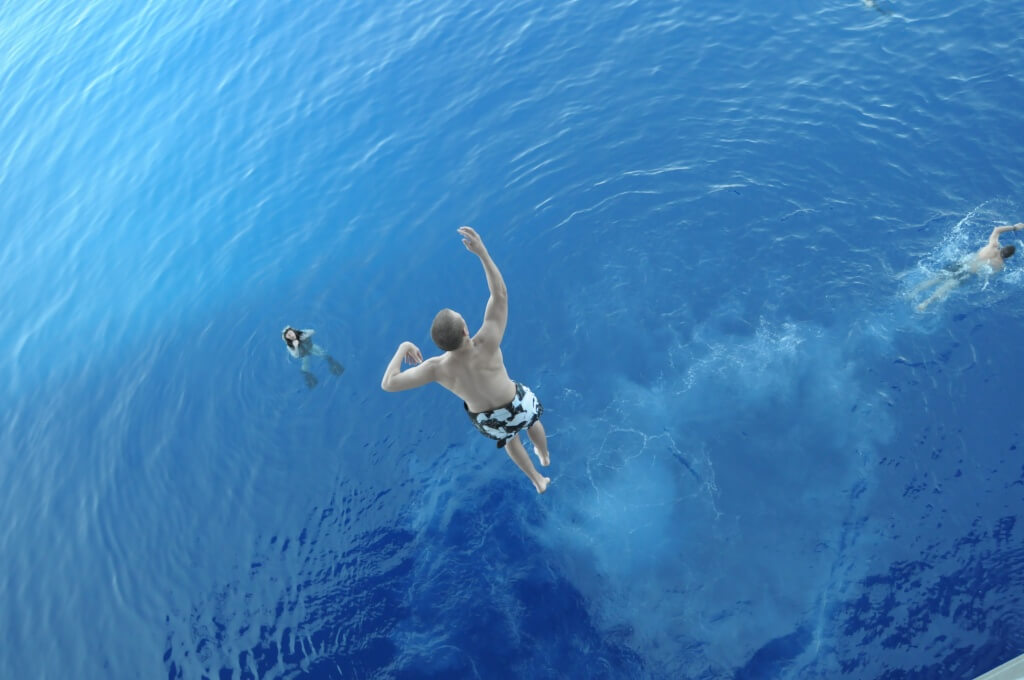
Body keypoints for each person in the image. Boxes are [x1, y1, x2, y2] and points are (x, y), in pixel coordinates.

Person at [380, 226, 552, 494]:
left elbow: (388, 384)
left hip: (488, 420)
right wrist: (482, 253)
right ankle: (543, 454)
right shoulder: (487, 341)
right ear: (465, 330)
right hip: (515, 402)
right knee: (533, 421)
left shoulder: (435, 369)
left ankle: (536, 480)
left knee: (510, 440)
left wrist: (403, 347)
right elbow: (500, 295)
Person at [915, 222, 1023, 311]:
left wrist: (1014, 227)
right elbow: (987, 276)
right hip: (968, 274)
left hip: (962, 264)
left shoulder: (993, 246)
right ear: (1008, 257)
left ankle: (913, 293)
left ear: (1002, 248)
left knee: (937, 279)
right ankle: (926, 303)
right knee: (946, 287)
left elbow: (997, 230)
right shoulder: (1000, 265)